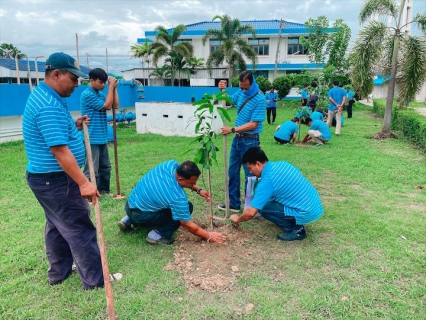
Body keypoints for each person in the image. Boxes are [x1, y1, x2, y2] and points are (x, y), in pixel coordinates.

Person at [22, 52, 121, 290]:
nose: (77, 85)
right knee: (78, 226)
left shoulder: (48, 96)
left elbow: (56, 136)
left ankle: (59, 273)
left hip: (44, 179)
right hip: (56, 180)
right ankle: (96, 280)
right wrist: (84, 183)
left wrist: (73, 126)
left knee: (56, 225)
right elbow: (59, 150)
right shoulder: (48, 105)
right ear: (56, 74)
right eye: (73, 79)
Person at [117, 160, 226, 245]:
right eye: (192, 182)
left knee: (153, 200)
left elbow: (183, 182)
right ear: (180, 179)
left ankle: (127, 220)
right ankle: (157, 235)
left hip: (130, 204)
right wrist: (209, 235)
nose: (194, 184)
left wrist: (198, 190)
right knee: (188, 207)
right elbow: (186, 224)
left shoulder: (169, 165)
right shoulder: (177, 197)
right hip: (141, 217)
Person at [230, 147, 324, 241]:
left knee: (263, 208)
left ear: (258, 164)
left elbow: (251, 213)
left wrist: (237, 219)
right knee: (268, 200)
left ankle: (297, 230)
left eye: (250, 168)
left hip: (306, 212)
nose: (250, 172)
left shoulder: (267, 181)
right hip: (315, 205)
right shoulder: (282, 164)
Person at [217, 71, 266, 213]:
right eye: (241, 87)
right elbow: (228, 101)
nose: (244, 90)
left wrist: (232, 129)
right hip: (237, 140)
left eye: (246, 88)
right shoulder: (240, 93)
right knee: (232, 172)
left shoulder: (259, 98)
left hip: (250, 141)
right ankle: (234, 203)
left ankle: (251, 207)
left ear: (253, 83)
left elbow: (253, 124)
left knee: (250, 175)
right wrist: (222, 90)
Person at [80, 68, 119, 195]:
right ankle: (91, 193)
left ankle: (104, 191)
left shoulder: (99, 94)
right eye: (100, 82)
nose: (103, 85)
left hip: (101, 136)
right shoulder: (88, 94)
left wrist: (114, 88)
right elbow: (107, 106)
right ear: (91, 80)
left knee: (105, 167)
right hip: (91, 137)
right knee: (92, 168)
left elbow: (115, 105)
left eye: (104, 83)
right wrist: (110, 88)